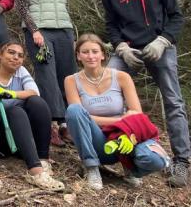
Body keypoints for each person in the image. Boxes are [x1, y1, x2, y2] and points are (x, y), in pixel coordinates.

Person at [101, 0, 188, 187]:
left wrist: (163, 40)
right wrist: (121, 48)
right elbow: (111, 26)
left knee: (173, 101)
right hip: (129, 49)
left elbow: (176, 16)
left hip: (160, 47)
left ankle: (182, 161)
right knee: (107, 89)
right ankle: (112, 150)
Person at [65, 34, 171, 190]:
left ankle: (131, 169)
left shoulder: (121, 77)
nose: (91, 56)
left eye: (95, 51)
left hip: (124, 138)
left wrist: (120, 123)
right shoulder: (71, 80)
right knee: (73, 110)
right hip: (98, 142)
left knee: (156, 160)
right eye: (85, 52)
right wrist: (120, 120)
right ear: (78, 56)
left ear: (103, 54)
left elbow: (137, 113)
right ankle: (92, 167)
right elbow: (78, 115)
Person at [0, 41, 64, 191]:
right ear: (0, 54)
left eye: (20, 55)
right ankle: (36, 173)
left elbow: (34, 92)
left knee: (37, 103)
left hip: (21, 140)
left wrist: (11, 94)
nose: (16, 57)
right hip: (0, 139)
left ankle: (43, 160)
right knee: (16, 112)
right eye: (11, 52)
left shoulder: (21, 72)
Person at [15, 0, 77, 146]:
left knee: (67, 75)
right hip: (40, 33)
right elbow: (22, 7)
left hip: (64, 31)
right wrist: (34, 30)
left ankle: (67, 123)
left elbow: (64, 5)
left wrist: (71, 34)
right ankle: (51, 124)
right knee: (47, 75)